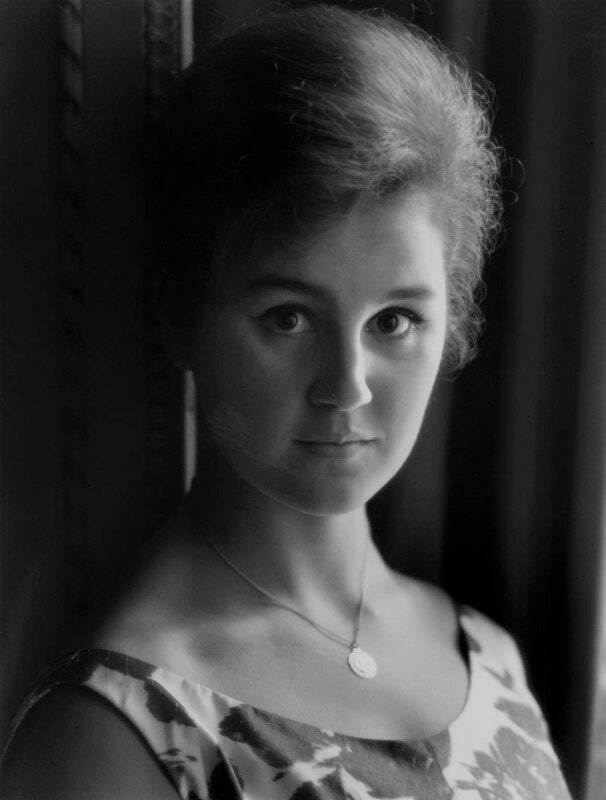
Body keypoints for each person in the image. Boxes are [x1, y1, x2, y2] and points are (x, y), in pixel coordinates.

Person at [0, 5, 573, 799]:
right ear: (181, 319)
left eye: (394, 321)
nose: (348, 385)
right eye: (289, 318)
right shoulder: (116, 731)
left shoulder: (489, 656)